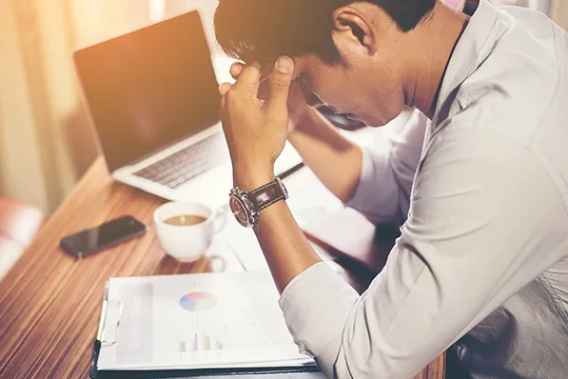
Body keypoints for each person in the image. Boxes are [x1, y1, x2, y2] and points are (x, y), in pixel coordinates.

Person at [214, 0, 568, 378]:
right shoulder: (503, 37)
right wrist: (296, 119)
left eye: (301, 77)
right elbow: (402, 188)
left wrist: (254, 178)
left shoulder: (492, 141)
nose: (313, 98)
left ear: (357, 31)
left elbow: (361, 362)